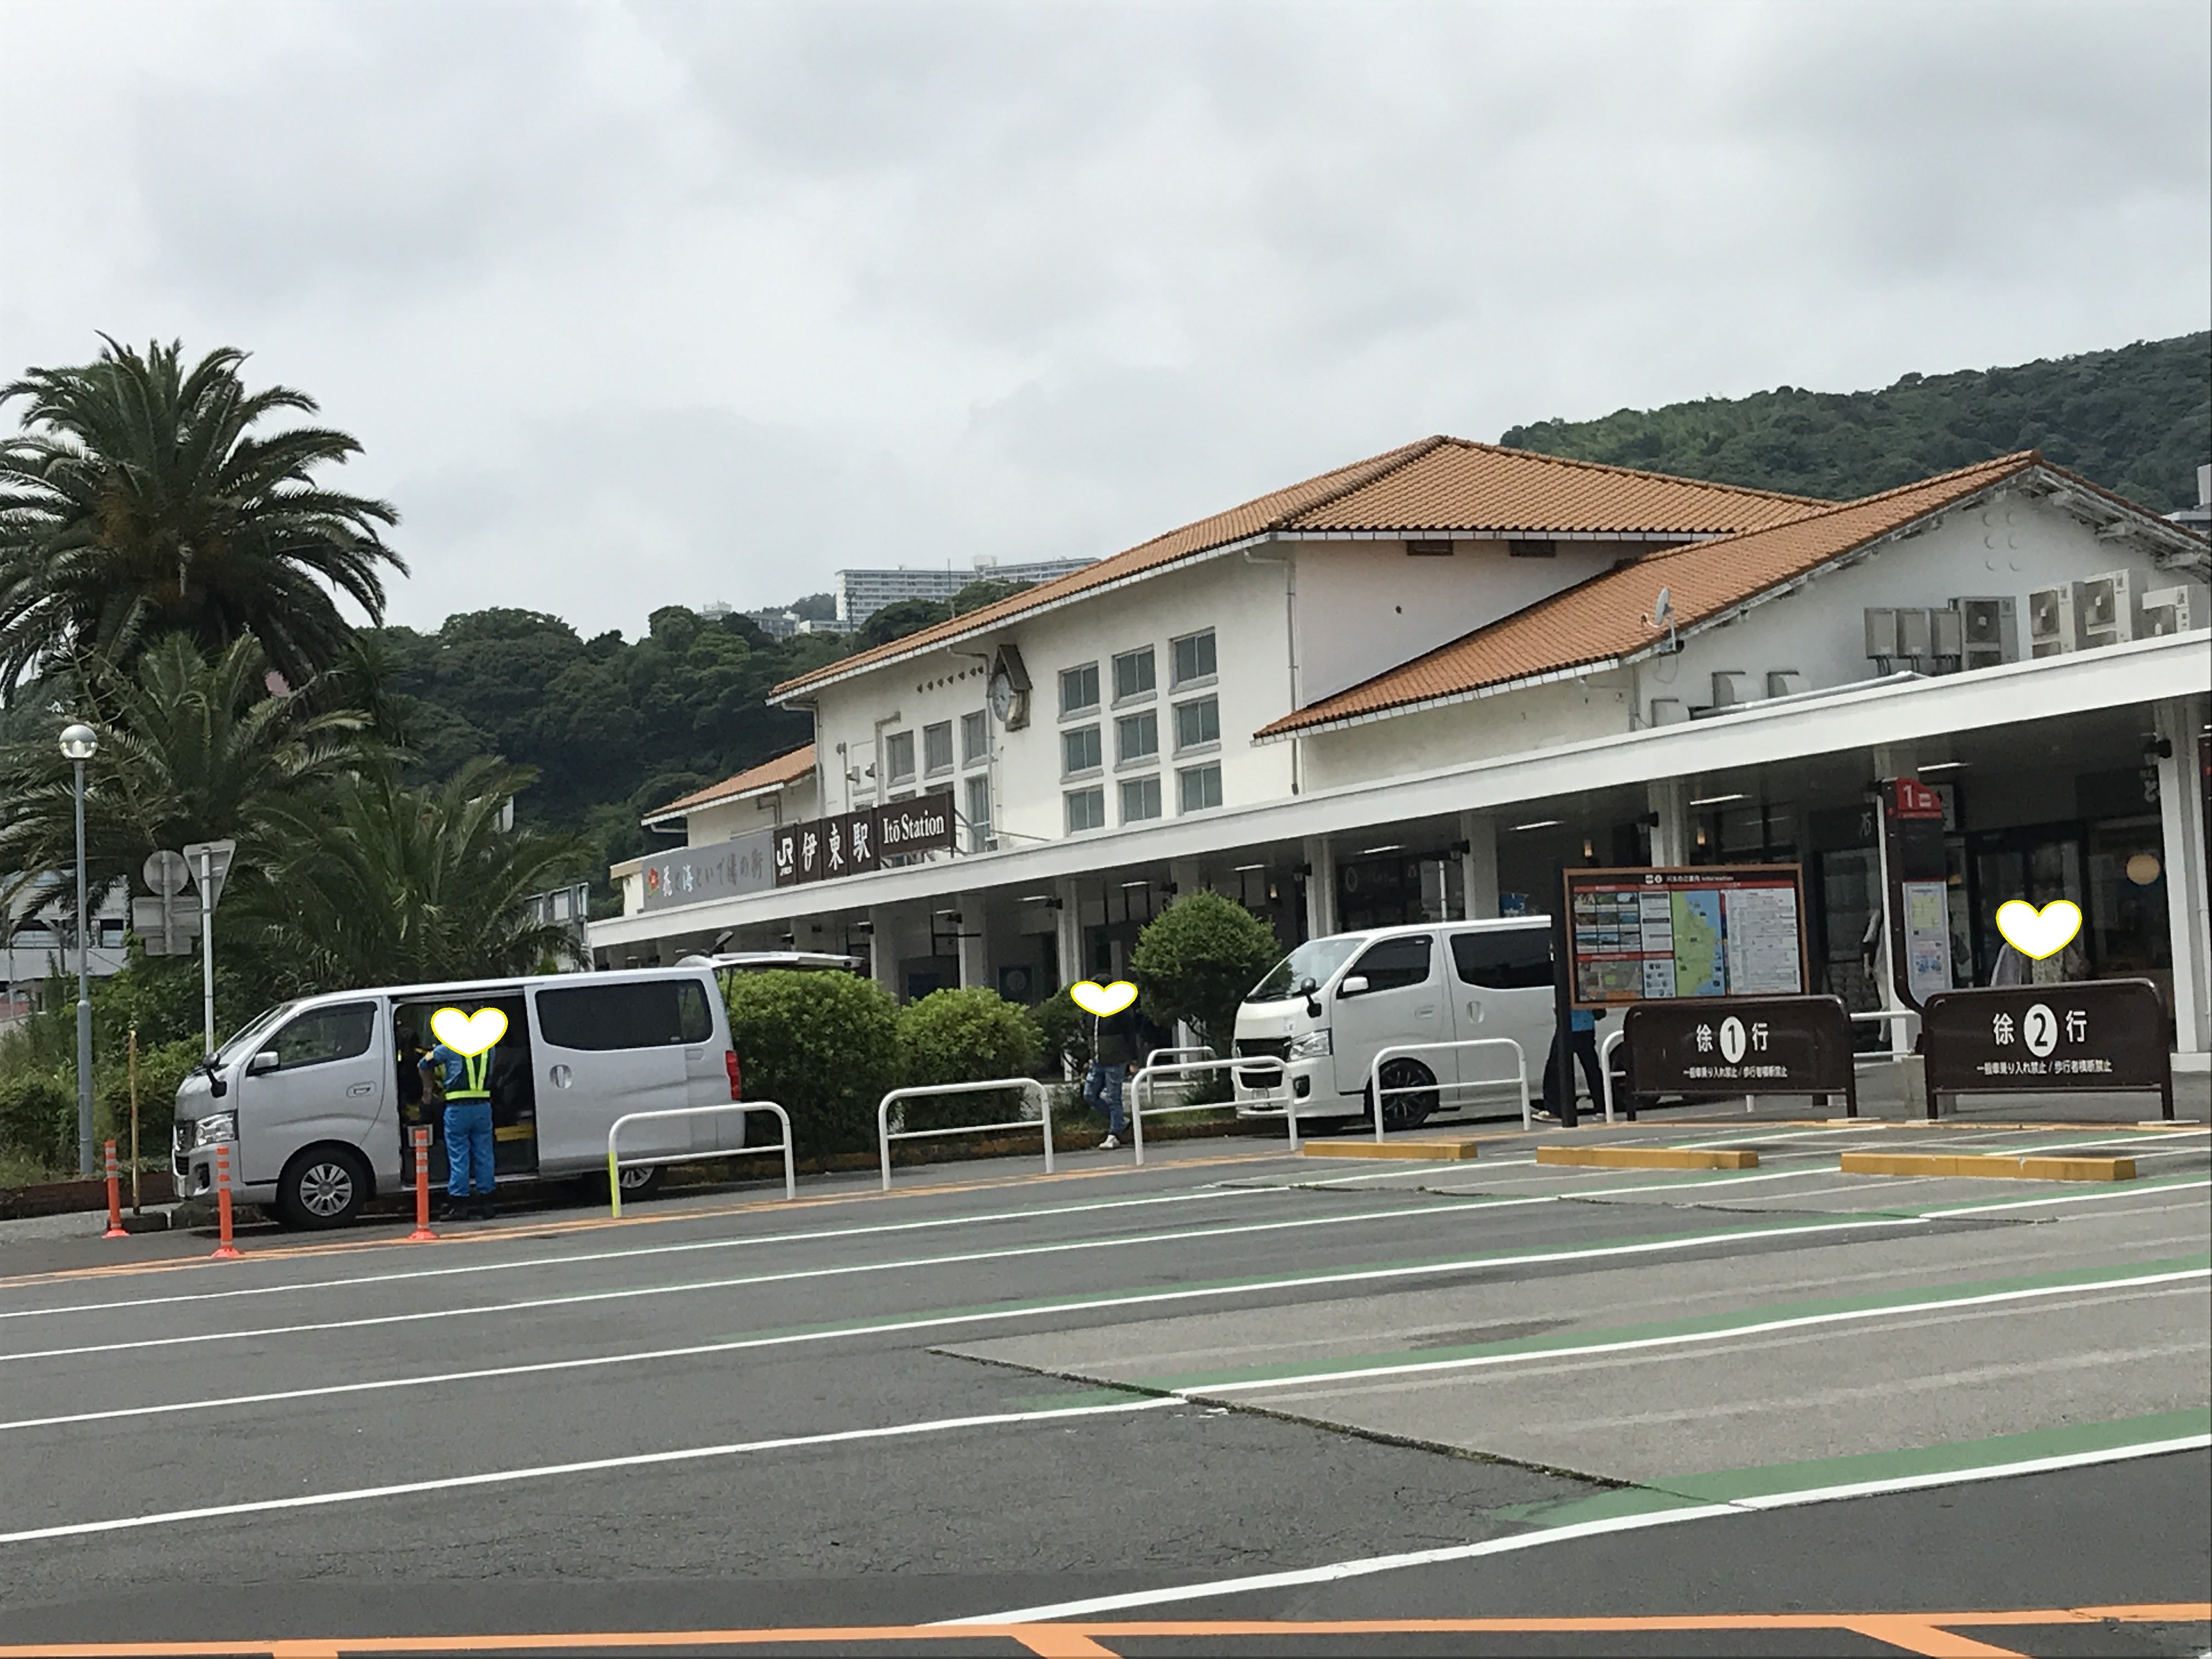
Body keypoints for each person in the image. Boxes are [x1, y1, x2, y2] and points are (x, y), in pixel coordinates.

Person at [419, 1026, 500, 1220]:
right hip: (483, 1107)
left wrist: (428, 1090)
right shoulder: (490, 1047)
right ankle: (487, 1203)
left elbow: (423, 1064)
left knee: (459, 1155)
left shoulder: (450, 1046)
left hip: (458, 1109)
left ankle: (459, 1203)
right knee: (484, 1154)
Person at [1082, 1001, 1139, 1150]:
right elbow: (1090, 1036)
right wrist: (1089, 1057)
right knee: (1089, 1095)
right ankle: (1120, 1122)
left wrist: (1133, 1060)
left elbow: (1130, 1035)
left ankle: (1115, 1134)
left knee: (1114, 1097)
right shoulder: (1091, 1011)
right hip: (1097, 1062)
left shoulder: (1120, 1010)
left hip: (1116, 1061)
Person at [1539, 1005, 1606, 1128]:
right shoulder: (1587, 993)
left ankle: (1554, 1109)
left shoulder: (1568, 992)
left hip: (1567, 1027)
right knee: (1592, 1068)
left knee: (1554, 1069)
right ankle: (1601, 1108)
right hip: (1586, 1027)